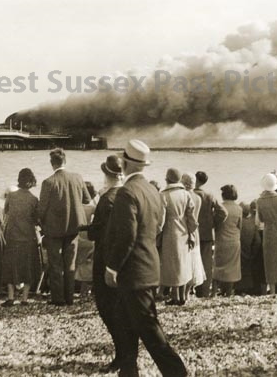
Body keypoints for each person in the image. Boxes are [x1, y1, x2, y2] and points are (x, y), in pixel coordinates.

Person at [105, 139, 187, 377]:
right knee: (125, 326)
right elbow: (158, 226)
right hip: (149, 267)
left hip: (133, 274)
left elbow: (126, 237)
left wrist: (112, 268)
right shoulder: (152, 190)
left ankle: (177, 373)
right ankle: (128, 372)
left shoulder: (127, 193)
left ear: (124, 162)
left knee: (150, 331)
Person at [39, 148, 91, 306]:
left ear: (51, 164)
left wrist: (40, 222)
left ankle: (58, 298)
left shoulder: (48, 182)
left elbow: (41, 209)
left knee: (55, 264)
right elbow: (87, 200)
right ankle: (69, 298)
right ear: (65, 161)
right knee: (70, 263)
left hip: (54, 230)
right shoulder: (77, 178)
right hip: (74, 228)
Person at [87, 155, 124, 373]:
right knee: (122, 306)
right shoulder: (128, 194)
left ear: (107, 175)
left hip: (106, 258)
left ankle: (122, 353)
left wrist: (90, 228)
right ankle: (126, 352)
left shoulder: (106, 199)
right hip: (126, 259)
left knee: (106, 306)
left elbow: (97, 232)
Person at [159, 168, 198, 305]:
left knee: (172, 264)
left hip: (171, 231)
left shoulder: (164, 195)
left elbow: (161, 219)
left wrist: (157, 232)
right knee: (183, 263)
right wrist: (192, 234)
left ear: (167, 179)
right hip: (184, 230)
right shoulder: (186, 194)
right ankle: (182, 296)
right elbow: (191, 218)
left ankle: (175, 296)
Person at [2, 168, 39, 306]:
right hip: (28, 236)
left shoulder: (11, 196)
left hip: (12, 235)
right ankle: (24, 298)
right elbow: (36, 220)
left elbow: (6, 212)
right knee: (27, 267)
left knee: (11, 266)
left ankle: (11, 297)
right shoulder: (34, 199)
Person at [193, 171, 228, 297]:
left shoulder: (190, 194)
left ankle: (191, 290)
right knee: (206, 264)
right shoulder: (209, 195)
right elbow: (223, 213)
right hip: (207, 234)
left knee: (191, 262)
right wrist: (212, 223)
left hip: (191, 233)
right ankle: (205, 291)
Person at [213, 185, 242, 297]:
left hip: (221, 239)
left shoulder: (220, 207)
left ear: (223, 195)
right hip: (234, 240)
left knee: (217, 266)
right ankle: (229, 292)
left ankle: (214, 292)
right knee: (232, 268)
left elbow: (215, 223)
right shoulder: (239, 208)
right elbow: (240, 226)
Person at [181, 173, 205, 300]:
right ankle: (189, 292)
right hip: (196, 232)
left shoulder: (184, 196)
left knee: (185, 263)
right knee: (194, 262)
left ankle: (183, 293)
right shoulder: (198, 198)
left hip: (185, 232)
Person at [75, 181, 98, 297]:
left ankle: (78, 290)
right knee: (87, 263)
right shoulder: (92, 207)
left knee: (79, 262)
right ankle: (86, 290)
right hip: (88, 237)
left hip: (77, 237)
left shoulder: (76, 206)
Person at [235, 202, 261, 295]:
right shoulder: (252, 225)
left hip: (237, 253)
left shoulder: (237, 224)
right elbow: (257, 242)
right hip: (248, 253)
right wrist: (253, 254)